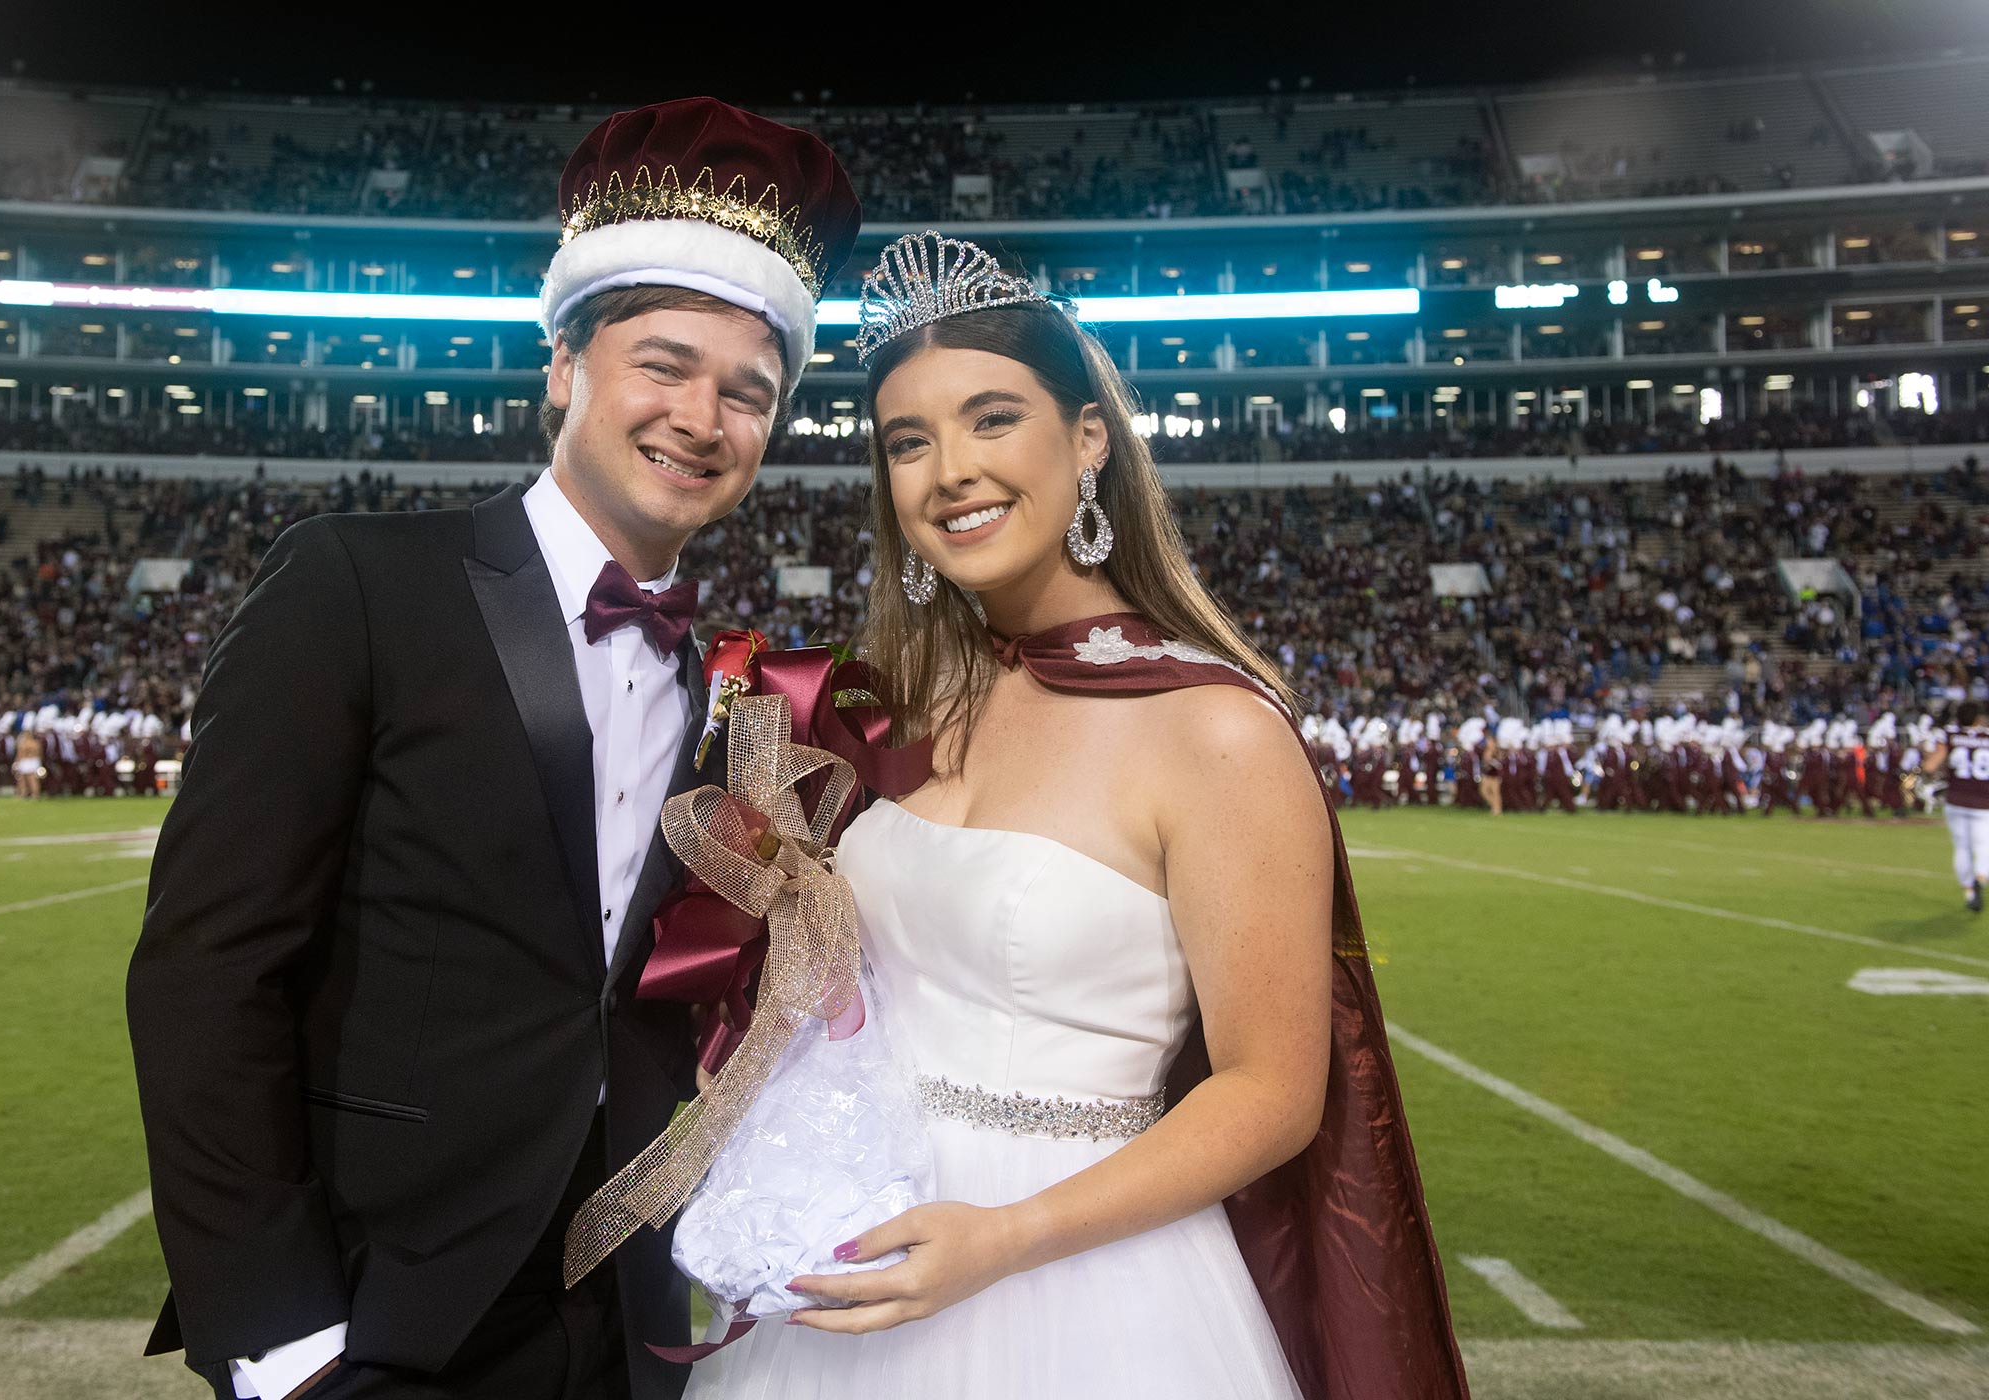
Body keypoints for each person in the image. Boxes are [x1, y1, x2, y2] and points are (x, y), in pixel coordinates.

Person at [127, 98, 859, 1400]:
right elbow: (206, 971)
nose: (703, 415)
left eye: (750, 393)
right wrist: (278, 1339)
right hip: (380, 1306)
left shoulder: (737, 685)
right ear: (563, 365)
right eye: (665, 363)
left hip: (624, 1314)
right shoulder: (357, 582)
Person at [686, 233, 1464, 1398]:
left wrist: (1004, 1236)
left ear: (1088, 437)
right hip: (855, 1253)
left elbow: (1272, 1091)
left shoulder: (1216, 732)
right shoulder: (907, 706)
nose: (950, 469)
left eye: (992, 417)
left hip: (1087, 1285)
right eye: (910, 440)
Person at [1922, 701, 1989, 913]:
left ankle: (1969, 892)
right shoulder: (1986, 736)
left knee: (1962, 848)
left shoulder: (1949, 735)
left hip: (1956, 800)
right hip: (1983, 801)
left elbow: (1930, 766)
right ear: (1978, 718)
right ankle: (1981, 878)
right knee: (1984, 845)